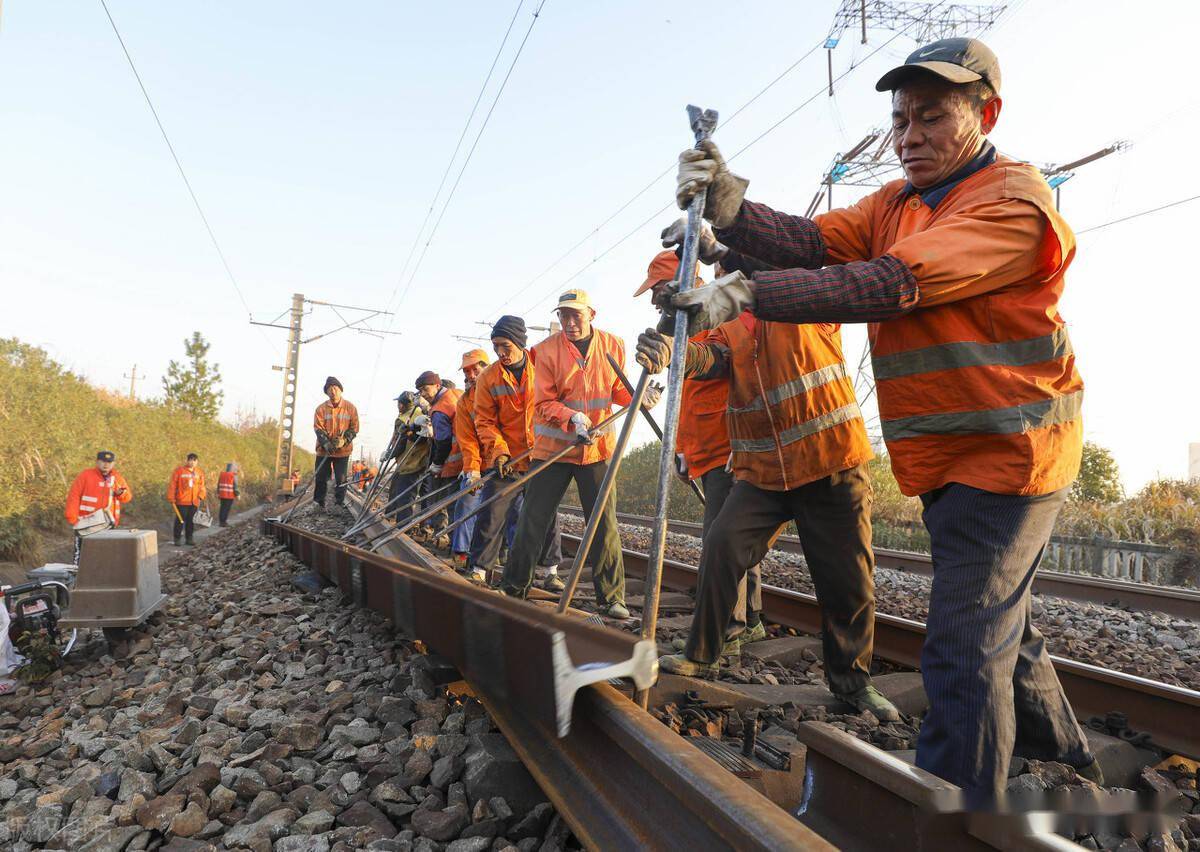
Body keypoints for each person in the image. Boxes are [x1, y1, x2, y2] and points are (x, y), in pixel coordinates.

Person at [657, 37, 1099, 804]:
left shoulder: (1011, 202)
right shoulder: (897, 203)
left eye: (932, 116)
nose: (909, 135)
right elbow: (812, 241)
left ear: (985, 112)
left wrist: (750, 294)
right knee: (1001, 625)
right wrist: (729, 207)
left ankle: (951, 816)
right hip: (949, 457)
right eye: (900, 119)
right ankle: (1064, 756)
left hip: (1012, 453)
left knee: (963, 645)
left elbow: (894, 283)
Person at [637, 251, 897, 721]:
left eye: (729, 275)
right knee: (722, 544)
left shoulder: (805, 301)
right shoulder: (729, 326)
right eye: (719, 277)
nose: (723, 285)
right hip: (763, 473)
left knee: (848, 579)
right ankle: (702, 652)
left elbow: (831, 284)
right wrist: (673, 351)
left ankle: (853, 683)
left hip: (829, 461)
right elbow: (709, 357)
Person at [635, 251, 767, 659]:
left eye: (659, 288)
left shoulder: (717, 315)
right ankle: (752, 620)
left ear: (679, 280)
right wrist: (682, 450)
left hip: (728, 445)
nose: (655, 297)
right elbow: (687, 399)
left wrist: (740, 443)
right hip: (705, 448)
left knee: (721, 541)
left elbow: (734, 370)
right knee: (735, 538)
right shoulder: (682, 325)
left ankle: (729, 626)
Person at [501, 289, 660, 619]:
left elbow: (617, 391)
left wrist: (639, 398)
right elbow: (543, 403)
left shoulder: (613, 344)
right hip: (553, 451)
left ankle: (612, 598)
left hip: (597, 450)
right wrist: (572, 418)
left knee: (604, 523)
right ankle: (514, 587)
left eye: (576, 315)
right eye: (563, 315)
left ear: (591, 315)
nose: (570, 322)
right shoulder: (544, 351)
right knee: (534, 519)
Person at [468, 315, 563, 583]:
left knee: (545, 514)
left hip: (541, 456)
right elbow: (484, 421)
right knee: (492, 512)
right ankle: (479, 570)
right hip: (506, 460)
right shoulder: (488, 378)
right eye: (496, 346)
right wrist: (499, 451)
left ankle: (550, 572)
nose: (500, 353)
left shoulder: (543, 368)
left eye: (505, 346)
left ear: (520, 343)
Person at [442, 349, 490, 567]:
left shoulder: (499, 391)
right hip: (478, 462)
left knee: (513, 509)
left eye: (475, 369)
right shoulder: (464, 402)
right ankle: (461, 553)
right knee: (467, 502)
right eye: (467, 371)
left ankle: (504, 555)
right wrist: (472, 469)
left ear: (486, 368)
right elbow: (467, 439)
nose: (470, 375)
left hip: (505, 460)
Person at [65, 450, 132, 563]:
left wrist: (121, 493)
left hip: (107, 524)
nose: (106, 465)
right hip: (86, 523)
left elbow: (127, 497)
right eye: (103, 461)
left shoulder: (117, 478)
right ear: (97, 462)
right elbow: (74, 495)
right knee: (81, 555)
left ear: (113, 464)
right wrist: (72, 517)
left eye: (109, 462)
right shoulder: (86, 475)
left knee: (105, 555)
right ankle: (78, 579)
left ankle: (100, 578)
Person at [419, 370, 461, 538]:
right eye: (420, 391)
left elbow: (442, 442)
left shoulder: (440, 409)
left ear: (437, 386)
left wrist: (436, 464)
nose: (423, 394)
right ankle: (457, 543)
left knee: (445, 501)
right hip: (469, 457)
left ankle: (448, 539)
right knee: (460, 504)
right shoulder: (456, 394)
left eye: (425, 390)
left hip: (452, 461)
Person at [313, 376, 359, 509]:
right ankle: (318, 502)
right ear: (326, 392)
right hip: (323, 450)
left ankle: (339, 503)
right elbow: (318, 428)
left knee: (341, 479)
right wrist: (326, 443)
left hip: (342, 452)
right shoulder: (321, 409)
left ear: (340, 390)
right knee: (321, 478)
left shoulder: (350, 408)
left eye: (335, 388)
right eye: (329, 389)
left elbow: (354, 428)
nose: (333, 391)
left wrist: (344, 440)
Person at [388, 390, 431, 523]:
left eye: (399, 403)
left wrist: (389, 454)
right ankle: (425, 524)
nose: (398, 406)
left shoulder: (404, 418)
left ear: (402, 404)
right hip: (425, 460)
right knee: (425, 494)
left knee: (404, 496)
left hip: (410, 461)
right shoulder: (423, 413)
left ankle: (402, 525)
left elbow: (400, 444)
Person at [167, 453, 206, 546]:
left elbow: (202, 486)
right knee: (180, 520)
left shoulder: (199, 472)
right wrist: (171, 497)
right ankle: (177, 539)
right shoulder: (179, 471)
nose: (192, 462)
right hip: (182, 501)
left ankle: (189, 538)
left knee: (191, 521)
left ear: (197, 462)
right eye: (190, 460)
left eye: (194, 460)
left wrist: (201, 496)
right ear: (187, 461)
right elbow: (172, 485)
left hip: (194, 501)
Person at [216, 462, 239, 527]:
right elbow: (235, 486)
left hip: (222, 494)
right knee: (226, 509)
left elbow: (218, 484)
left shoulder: (222, 474)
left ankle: (221, 522)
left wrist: (218, 492)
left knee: (222, 508)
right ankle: (224, 522)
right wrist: (237, 494)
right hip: (229, 495)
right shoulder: (234, 475)